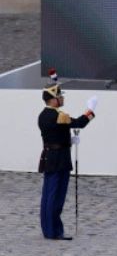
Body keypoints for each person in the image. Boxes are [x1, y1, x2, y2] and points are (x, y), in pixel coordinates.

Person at [37, 72, 96, 240]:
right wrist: (90, 111)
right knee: (56, 196)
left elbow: (55, 134)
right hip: (59, 159)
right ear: (53, 99)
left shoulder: (43, 115)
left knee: (48, 194)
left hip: (50, 156)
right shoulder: (58, 115)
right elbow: (79, 123)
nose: (62, 99)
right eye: (60, 96)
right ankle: (54, 231)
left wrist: (68, 139)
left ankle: (48, 229)